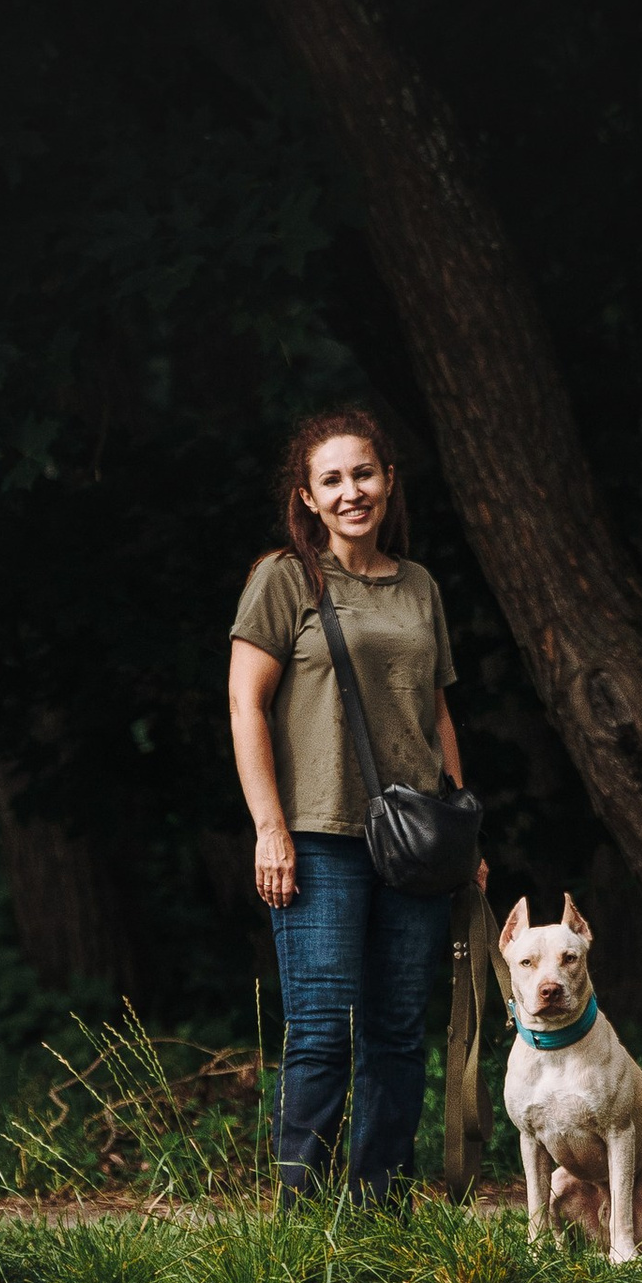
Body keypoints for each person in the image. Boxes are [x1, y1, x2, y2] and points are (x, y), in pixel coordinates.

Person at [228, 407, 474, 1199]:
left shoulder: (419, 586)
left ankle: (382, 1214)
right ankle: (301, 1219)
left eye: (363, 474)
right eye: (330, 480)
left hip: (413, 842)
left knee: (399, 1035)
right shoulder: (285, 579)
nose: (350, 492)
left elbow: (436, 713)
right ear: (305, 496)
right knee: (322, 1033)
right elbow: (244, 705)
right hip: (320, 836)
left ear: (389, 480)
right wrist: (270, 827)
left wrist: (461, 828)